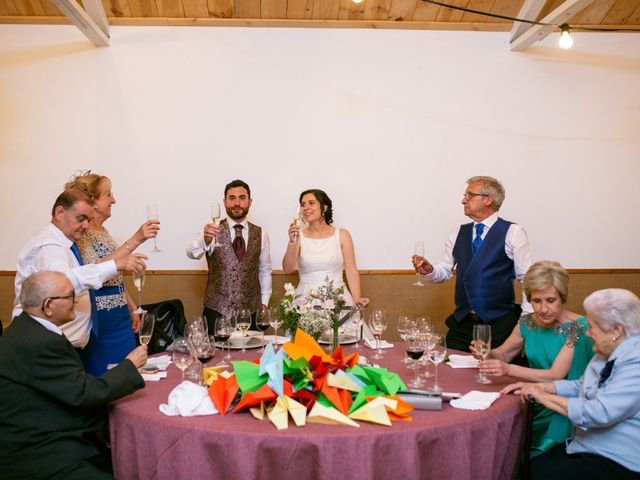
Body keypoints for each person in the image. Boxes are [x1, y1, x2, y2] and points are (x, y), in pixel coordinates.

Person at [0, 271, 147, 480]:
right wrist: (130, 365)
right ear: (48, 305)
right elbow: (85, 392)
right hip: (38, 452)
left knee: (128, 464)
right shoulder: (38, 342)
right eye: (70, 296)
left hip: (49, 431)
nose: (76, 300)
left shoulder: (28, 328)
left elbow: (72, 386)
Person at [507, 289, 640, 480]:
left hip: (618, 458)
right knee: (527, 468)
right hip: (587, 444)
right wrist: (544, 387)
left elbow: (599, 412)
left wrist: (543, 396)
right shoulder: (605, 351)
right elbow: (581, 385)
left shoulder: (635, 361)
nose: (587, 332)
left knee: (539, 474)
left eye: (592, 326)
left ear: (616, 330)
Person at [470, 261, 593, 457]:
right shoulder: (527, 323)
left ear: (562, 298)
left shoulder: (577, 327)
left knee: (525, 454)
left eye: (551, 300)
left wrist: (508, 369)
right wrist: (486, 352)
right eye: (537, 301)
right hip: (533, 399)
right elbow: (503, 354)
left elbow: (555, 375)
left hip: (562, 406)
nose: (543, 309)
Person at [13, 188, 147, 348]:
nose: (86, 225)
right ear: (60, 212)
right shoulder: (49, 246)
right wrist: (116, 265)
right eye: (81, 218)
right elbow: (64, 283)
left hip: (66, 343)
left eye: (89, 220)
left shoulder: (67, 244)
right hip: (44, 344)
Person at [412, 175, 532, 351]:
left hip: (499, 325)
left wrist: (525, 321)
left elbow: (527, 279)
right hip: (462, 323)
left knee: (491, 375)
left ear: (488, 200)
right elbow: (444, 271)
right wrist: (429, 270)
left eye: (469, 195)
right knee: (450, 371)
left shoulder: (513, 233)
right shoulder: (458, 233)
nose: (463, 200)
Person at [65, 172, 160, 375]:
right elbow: (94, 272)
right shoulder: (80, 235)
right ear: (93, 201)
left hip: (121, 319)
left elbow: (114, 276)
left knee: (128, 371)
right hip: (100, 319)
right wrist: (136, 239)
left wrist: (131, 307)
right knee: (104, 375)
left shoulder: (104, 232)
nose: (114, 200)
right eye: (108, 195)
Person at [186, 179, 272, 332]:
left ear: (250, 202)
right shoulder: (211, 230)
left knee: (251, 355)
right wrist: (205, 239)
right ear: (225, 202)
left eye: (242, 198)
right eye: (232, 198)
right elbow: (191, 253)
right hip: (217, 312)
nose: (237, 203)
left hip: (251, 313)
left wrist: (264, 303)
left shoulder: (261, 234)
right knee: (216, 355)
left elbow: (265, 270)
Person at [282, 188, 369, 319]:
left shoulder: (342, 234)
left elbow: (351, 269)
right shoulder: (298, 236)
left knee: (344, 336)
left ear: (325, 207)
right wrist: (293, 241)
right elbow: (287, 269)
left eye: (311, 203)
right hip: (306, 301)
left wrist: (357, 298)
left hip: (337, 297)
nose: (305, 207)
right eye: (303, 204)